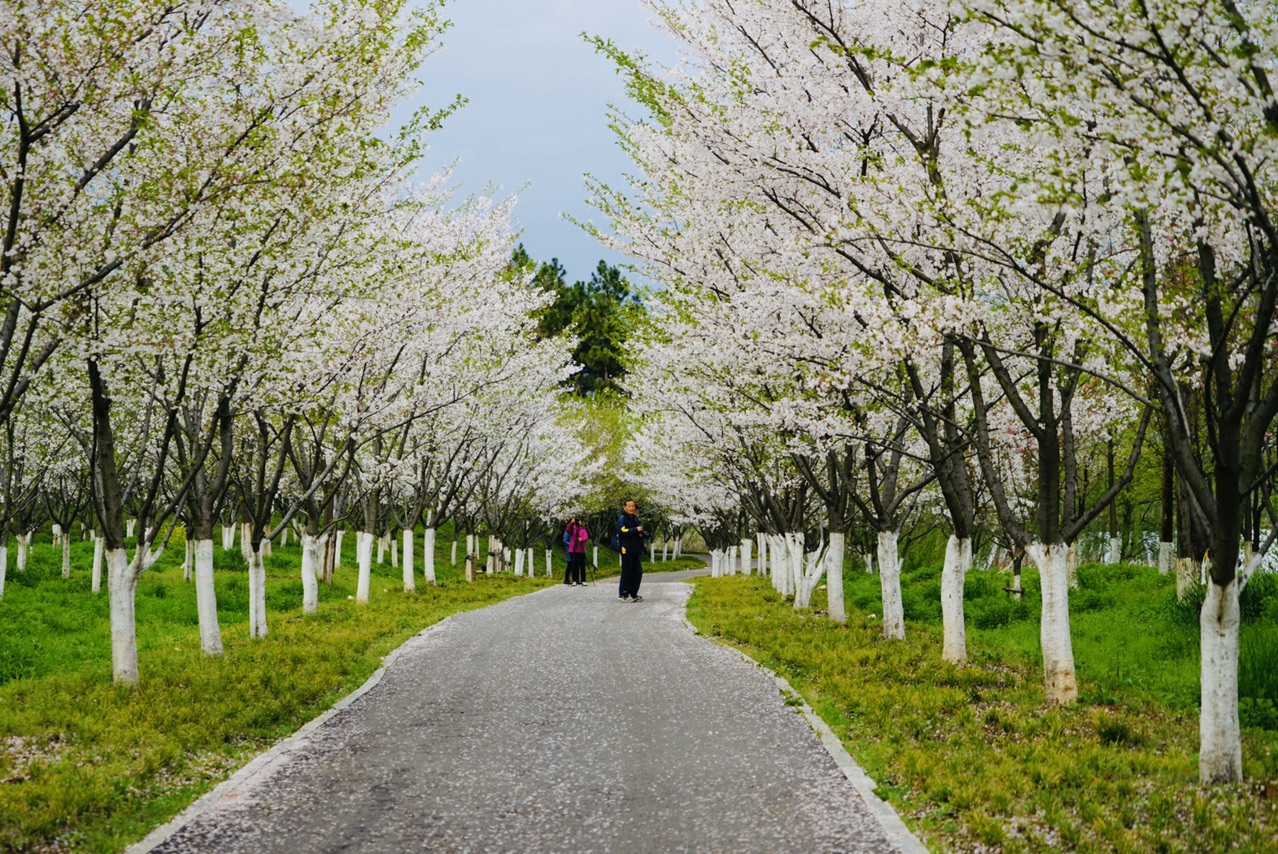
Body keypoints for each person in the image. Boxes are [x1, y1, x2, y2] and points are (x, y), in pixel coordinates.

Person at [615, 499, 648, 602]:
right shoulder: (622, 518)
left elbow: (636, 531)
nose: (632, 508)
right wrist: (635, 530)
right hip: (626, 548)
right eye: (629, 506)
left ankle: (633, 593)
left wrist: (641, 534)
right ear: (625, 507)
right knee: (627, 572)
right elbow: (621, 531)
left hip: (635, 548)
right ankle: (623, 593)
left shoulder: (634, 518)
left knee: (638, 572)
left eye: (633, 506)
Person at [565, 518, 588, 586]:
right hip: (573, 549)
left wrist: (582, 539)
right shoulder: (573, 529)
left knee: (582, 565)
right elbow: (568, 530)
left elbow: (586, 537)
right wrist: (571, 523)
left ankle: (583, 580)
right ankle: (574, 579)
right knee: (574, 565)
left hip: (581, 549)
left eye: (579, 521)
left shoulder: (583, 530)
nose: (578, 522)